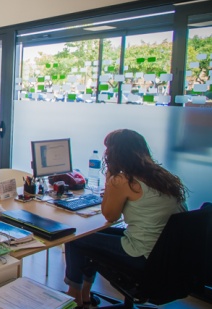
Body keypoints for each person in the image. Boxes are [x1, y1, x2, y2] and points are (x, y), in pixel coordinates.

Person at [63, 129, 187, 308]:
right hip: (167, 255)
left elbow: (110, 216)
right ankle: (86, 295)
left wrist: (109, 179)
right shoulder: (162, 176)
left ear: (115, 153)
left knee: (75, 238)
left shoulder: (124, 180)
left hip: (142, 254)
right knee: (88, 236)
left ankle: (75, 296)